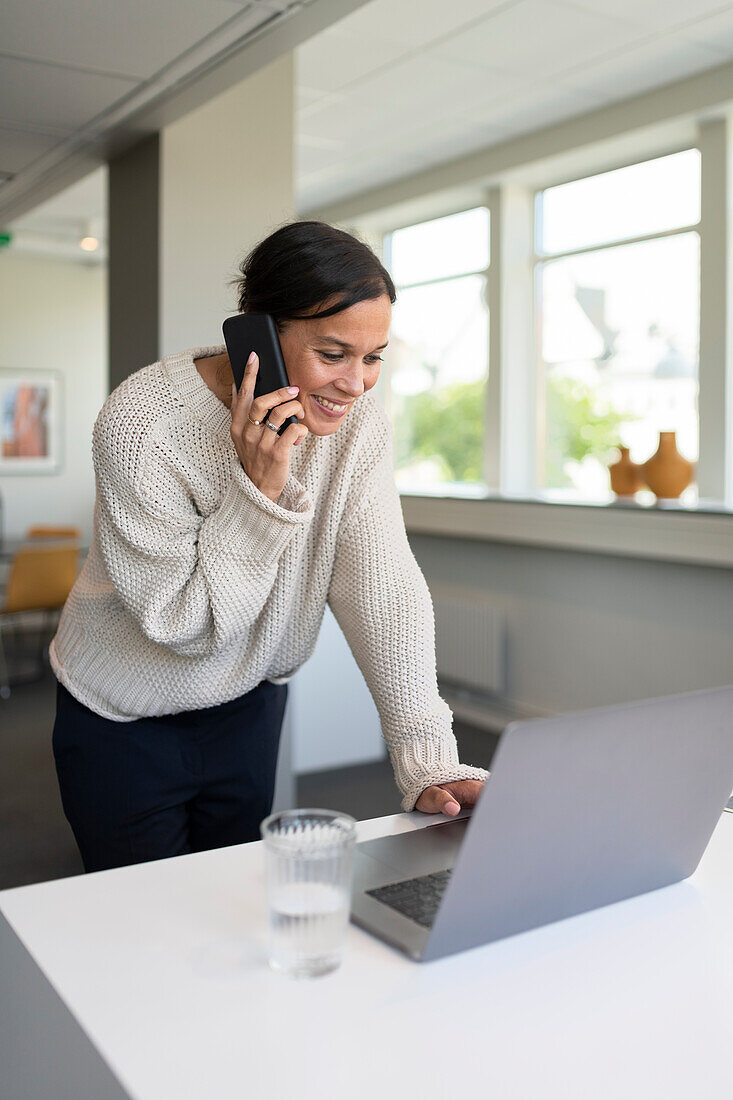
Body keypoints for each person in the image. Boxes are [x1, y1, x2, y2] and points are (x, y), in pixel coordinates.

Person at [49, 220, 488, 873]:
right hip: (124, 718)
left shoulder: (354, 422)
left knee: (235, 908)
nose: (356, 384)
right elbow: (187, 625)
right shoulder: (144, 425)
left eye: (373, 357)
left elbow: (381, 583)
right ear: (257, 332)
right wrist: (258, 490)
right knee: (144, 930)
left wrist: (427, 757)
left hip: (247, 705)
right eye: (333, 354)